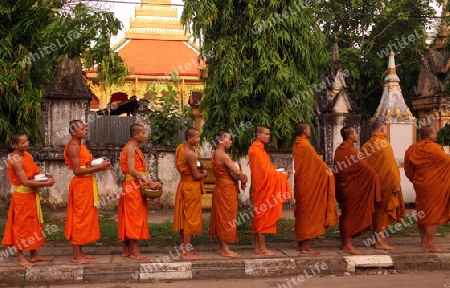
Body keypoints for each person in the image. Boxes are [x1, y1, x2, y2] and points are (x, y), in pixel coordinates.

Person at [2, 133, 55, 267]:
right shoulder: (15, 159)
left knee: (33, 226)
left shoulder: (28, 155)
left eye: (27, 141)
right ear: (15, 145)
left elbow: (35, 173)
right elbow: (25, 182)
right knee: (20, 228)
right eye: (23, 142)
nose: (27, 144)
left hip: (31, 197)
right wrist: (46, 184)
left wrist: (46, 176)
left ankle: (34, 254)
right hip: (22, 197)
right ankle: (20, 257)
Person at [64, 120, 111, 264]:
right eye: (83, 129)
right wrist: (99, 168)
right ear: (74, 132)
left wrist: (100, 162)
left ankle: (80, 252)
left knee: (85, 217)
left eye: (85, 129)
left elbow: (87, 162)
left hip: (87, 184)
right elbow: (77, 171)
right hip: (80, 185)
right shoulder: (73, 147)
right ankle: (76, 255)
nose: (85, 131)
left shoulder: (81, 146)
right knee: (79, 218)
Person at [333, 126, 380, 255]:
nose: (357, 134)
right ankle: (348, 245)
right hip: (351, 188)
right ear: (350, 136)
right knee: (350, 215)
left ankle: (345, 243)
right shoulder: (351, 152)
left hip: (346, 187)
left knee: (347, 214)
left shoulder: (339, 150)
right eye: (355, 132)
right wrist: (375, 176)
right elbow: (366, 169)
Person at [292, 122, 338, 255]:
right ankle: (306, 246)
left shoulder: (297, 144)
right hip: (308, 185)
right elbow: (318, 164)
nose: (310, 131)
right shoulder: (305, 145)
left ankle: (300, 244)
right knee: (307, 213)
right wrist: (328, 171)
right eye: (309, 129)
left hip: (302, 183)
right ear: (305, 131)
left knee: (302, 212)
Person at [404, 125, 450, 253]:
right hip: (433, 186)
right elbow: (447, 162)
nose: (436, 135)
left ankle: (424, 241)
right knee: (431, 214)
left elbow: (408, 170)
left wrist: (416, 180)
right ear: (430, 135)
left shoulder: (412, 149)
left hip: (421, 186)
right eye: (434, 133)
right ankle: (430, 243)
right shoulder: (435, 149)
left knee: (422, 212)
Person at [118, 124, 161, 260]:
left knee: (130, 216)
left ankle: (126, 249)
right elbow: (131, 170)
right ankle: (134, 251)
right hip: (132, 186)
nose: (145, 135)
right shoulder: (131, 148)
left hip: (135, 185)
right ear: (135, 135)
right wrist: (149, 181)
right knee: (134, 218)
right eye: (142, 133)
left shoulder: (135, 148)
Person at [361, 120, 405, 251]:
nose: (387, 131)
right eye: (386, 129)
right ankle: (379, 242)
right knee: (381, 213)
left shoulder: (365, 146)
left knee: (376, 212)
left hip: (372, 185)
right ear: (382, 129)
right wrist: (396, 185)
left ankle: (378, 240)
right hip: (386, 184)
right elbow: (391, 168)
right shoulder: (384, 144)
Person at [248, 125, 291, 256]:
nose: (268, 136)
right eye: (265, 134)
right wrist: (282, 176)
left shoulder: (260, 150)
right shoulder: (256, 151)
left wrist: (279, 171)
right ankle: (261, 248)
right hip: (262, 188)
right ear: (258, 135)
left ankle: (258, 247)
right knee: (262, 217)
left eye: (269, 134)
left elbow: (268, 168)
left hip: (263, 188)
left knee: (261, 216)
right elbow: (265, 173)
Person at [209, 130, 248, 258]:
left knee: (222, 217)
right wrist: (243, 178)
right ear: (221, 140)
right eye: (229, 139)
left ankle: (222, 247)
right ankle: (226, 249)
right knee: (227, 218)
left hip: (220, 188)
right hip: (227, 190)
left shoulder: (215, 154)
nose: (231, 142)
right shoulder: (224, 156)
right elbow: (237, 172)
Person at [172, 127, 208, 260]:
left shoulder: (181, 148)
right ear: (189, 138)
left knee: (184, 218)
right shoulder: (189, 153)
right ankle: (184, 252)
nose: (198, 140)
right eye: (197, 137)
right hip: (191, 188)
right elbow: (196, 175)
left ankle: (184, 249)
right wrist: (205, 174)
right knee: (190, 219)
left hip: (183, 185)